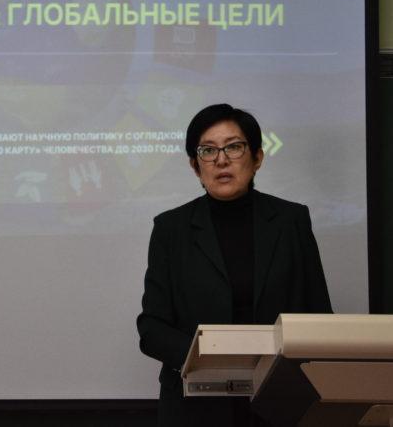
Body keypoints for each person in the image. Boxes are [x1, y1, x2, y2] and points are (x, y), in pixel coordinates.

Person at [136, 103, 332, 426]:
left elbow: (320, 316)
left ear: (257, 158)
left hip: (280, 400)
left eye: (234, 147)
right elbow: (152, 328)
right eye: (208, 151)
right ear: (195, 166)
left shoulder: (291, 221)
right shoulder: (170, 229)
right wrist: (209, 358)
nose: (221, 160)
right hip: (196, 406)